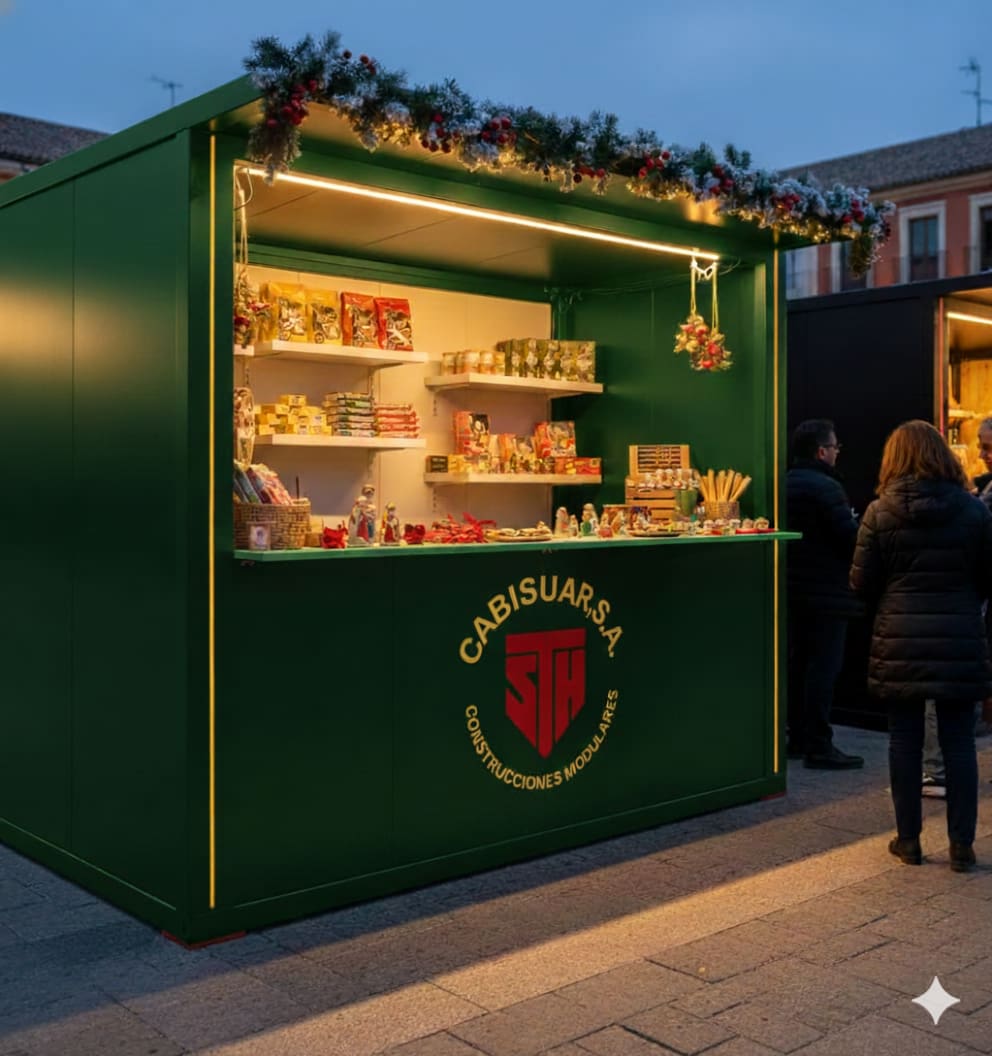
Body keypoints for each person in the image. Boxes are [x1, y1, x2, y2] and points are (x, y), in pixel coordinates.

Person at [850, 420, 992, 872]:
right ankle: (961, 846)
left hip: (900, 638)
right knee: (958, 743)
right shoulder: (974, 511)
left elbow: (861, 581)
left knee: (905, 741)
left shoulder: (879, 512)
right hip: (959, 635)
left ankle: (908, 841)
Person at [786, 419, 865, 769]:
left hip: (793, 590)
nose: (836, 453)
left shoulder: (784, 483)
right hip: (828, 593)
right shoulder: (828, 488)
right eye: (834, 448)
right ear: (822, 451)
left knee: (799, 664)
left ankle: (799, 736)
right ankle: (820, 743)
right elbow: (849, 539)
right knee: (824, 668)